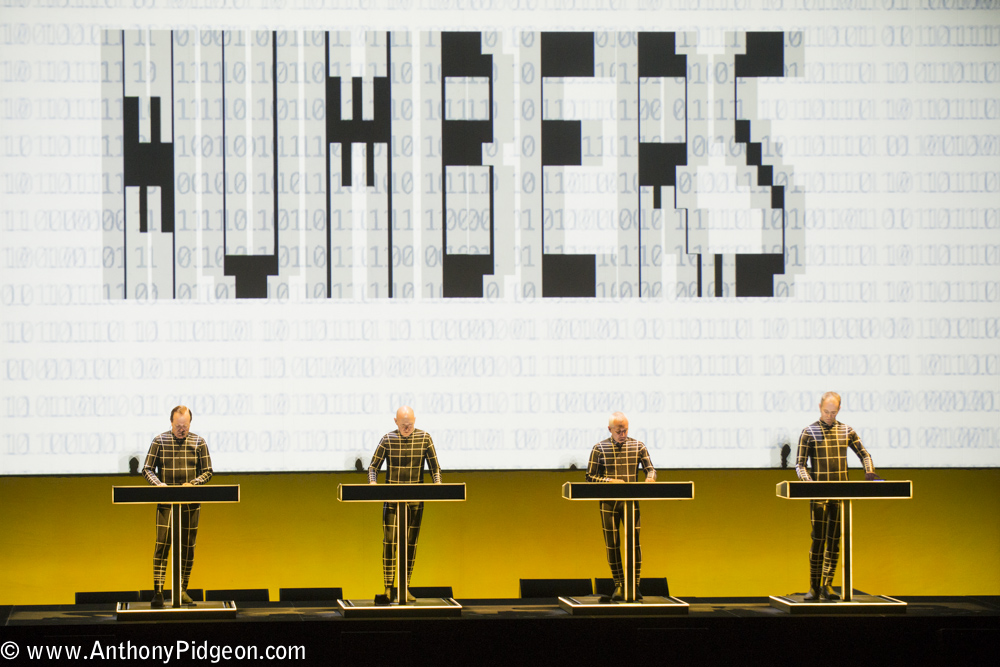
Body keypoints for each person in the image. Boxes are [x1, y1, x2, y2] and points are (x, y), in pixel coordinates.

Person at [795, 391, 878, 601]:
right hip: (819, 495)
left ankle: (828, 585)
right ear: (819, 408)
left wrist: (869, 471)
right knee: (818, 539)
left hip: (841, 494)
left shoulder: (846, 430)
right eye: (826, 411)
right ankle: (814, 586)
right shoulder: (809, 432)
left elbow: (864, 453)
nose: (830, 416)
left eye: (833, 412)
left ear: (839, 409)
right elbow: (800, 464)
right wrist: (810, 484)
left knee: (834, 540)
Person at [368, 406, 442, 602]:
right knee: (389, 541)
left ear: (415, 420)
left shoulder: (425, 438)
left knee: (410, 544)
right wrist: (373, 483)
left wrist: (438, 485)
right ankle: (388, 588)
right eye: (403, 425)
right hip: (392, 499)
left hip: (415, 499)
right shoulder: (387, 439)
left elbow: (435, 467)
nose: (406, 428)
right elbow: (373, 467)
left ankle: (405, 587)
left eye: (409, 425)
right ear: (395, 422)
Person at [142, 406, 213, 608]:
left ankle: (181, 590)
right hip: (166, 503)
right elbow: (147, 469)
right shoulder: (159, 441)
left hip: (190, 505)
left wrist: (194, 484)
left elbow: (208, 471)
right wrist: (159, 485)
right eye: (178, 426)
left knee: (188, 547)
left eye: (185, 426)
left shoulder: (199, 442)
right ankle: (158, 592)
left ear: (190, 424)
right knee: (162, 546)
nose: (181, 430)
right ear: (171, 423)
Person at [586, 411, 656, 601]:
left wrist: (650, 478)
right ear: (610, 429)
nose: (623, 434)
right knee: (612, 544)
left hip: (631, 502)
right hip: (608, 503)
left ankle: (635, 584)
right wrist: (609, 480)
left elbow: (651, 469)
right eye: (618, 431)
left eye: (625, 430)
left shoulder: (638, 446)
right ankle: (619, 584)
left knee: (634, 543)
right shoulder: (599, 448)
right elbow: (590, 477)